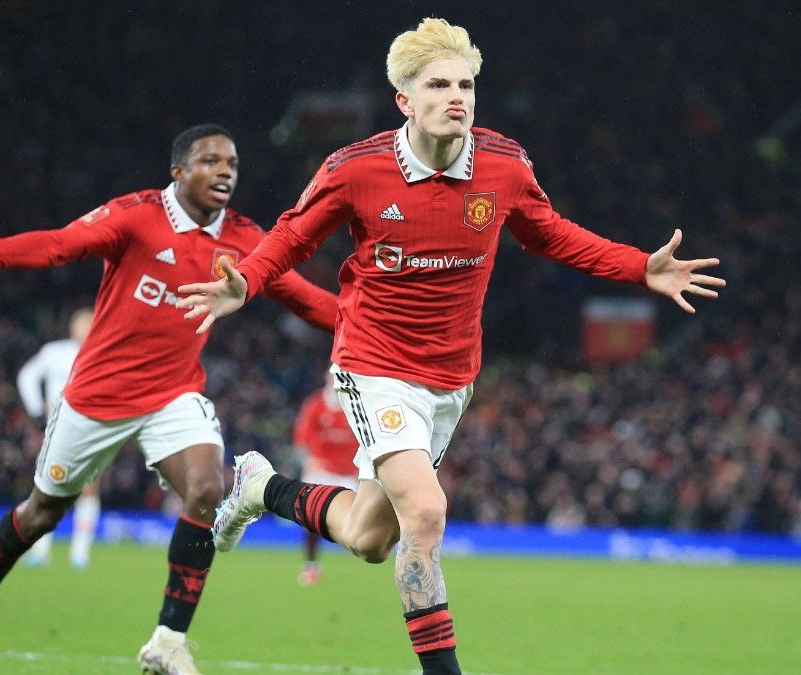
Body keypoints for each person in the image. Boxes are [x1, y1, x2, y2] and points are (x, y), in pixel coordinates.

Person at [176, 19, 726, 675]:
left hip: (452, 376)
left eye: (465, 83)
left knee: (369, 537)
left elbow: (551, 235)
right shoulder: (355, 169)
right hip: (373, 363)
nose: (457, 96)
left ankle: (262, 487)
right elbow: (292, 236)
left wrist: (641, 267)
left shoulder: (504, 164)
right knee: (428, 510)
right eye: (439, 84)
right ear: (405, 100)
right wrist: (250, 281)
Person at [0, 124, 338, 674]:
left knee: (207, 488)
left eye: (231, 162)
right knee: (42, 513)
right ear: (178, 171)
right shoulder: (136, 215)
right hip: (96, 396)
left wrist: (376, 325)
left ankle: (167, 642)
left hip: (175, 393)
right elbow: (58, 245)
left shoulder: (244, 239)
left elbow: (304, 299)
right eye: (209, 161)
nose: (225, 171)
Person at [15, 306, 100, 570]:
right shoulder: (55, 352)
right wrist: (37, 410)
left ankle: (80, 553)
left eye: (90, 323)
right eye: (81, 323)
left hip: (92, 429)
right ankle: (41, 549)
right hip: (57, 428)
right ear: (72, 327)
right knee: (50, 484)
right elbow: (27, 376)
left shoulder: (104, 354)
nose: (85, 329)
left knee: (88, 488)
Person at [291, 370, 360, 586]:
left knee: (358, 522)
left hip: (350, 472)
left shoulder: (356, 404)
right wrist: (308, 462)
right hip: (322, 469)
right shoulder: (315, 405)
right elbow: (301, 439)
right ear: (328, 378)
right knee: (309, 519)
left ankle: (355, 563)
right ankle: (311, 565)